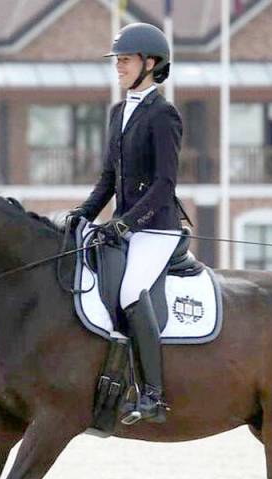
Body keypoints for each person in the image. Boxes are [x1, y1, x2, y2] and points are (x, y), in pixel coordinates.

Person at [68, 22, 183, 425]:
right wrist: (83, 213)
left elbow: (165, 184)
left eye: (126, 59)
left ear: (150, 64)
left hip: (157, 229)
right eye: (117, 59)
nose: (118, 66)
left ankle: (153, 395)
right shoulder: (118, 112)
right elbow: (108, 179)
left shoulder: (163, 115)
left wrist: (127, 223)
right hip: (126, 226)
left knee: (132, 291)